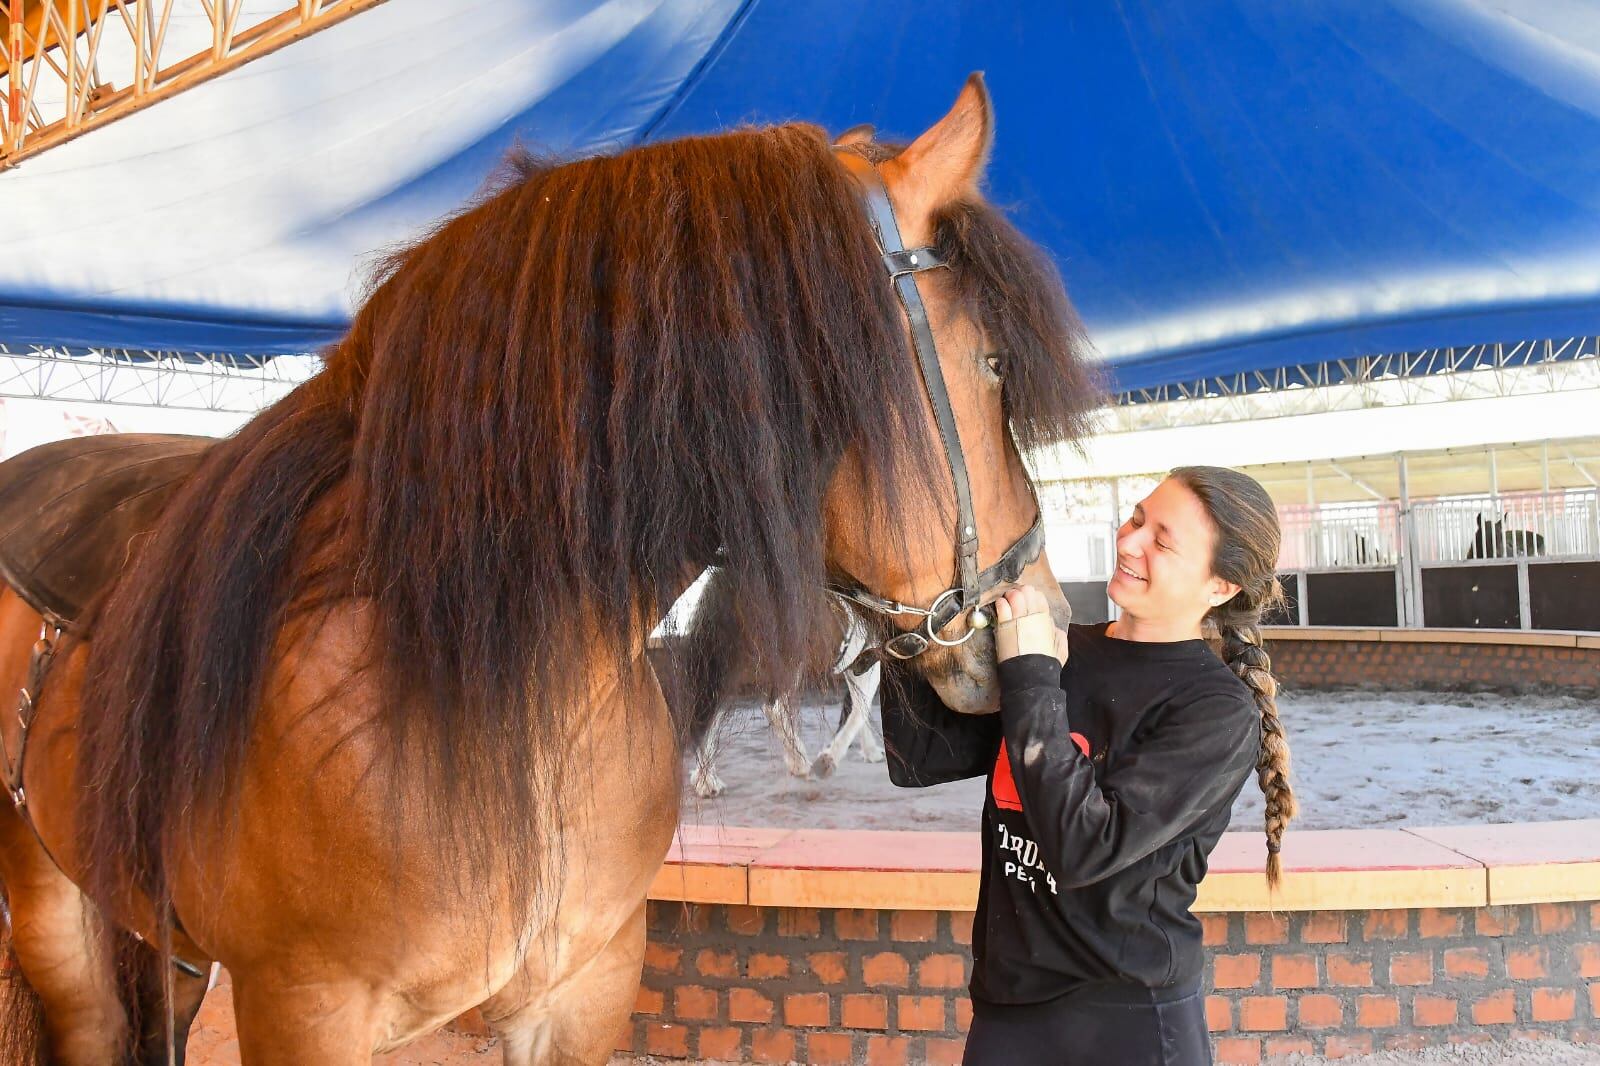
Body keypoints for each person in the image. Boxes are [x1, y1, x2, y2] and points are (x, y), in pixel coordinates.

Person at [881, 465, 1297, 1066]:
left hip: (1127, 1016)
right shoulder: (1061, 648)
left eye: (1163, 541)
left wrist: (1029, 674)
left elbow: (1084, 850)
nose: (1129, 542)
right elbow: (921, 753)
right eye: (1136, 519)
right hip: (1009, 1002)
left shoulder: (1214, 711)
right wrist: (905, 619)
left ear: (1220, 587)